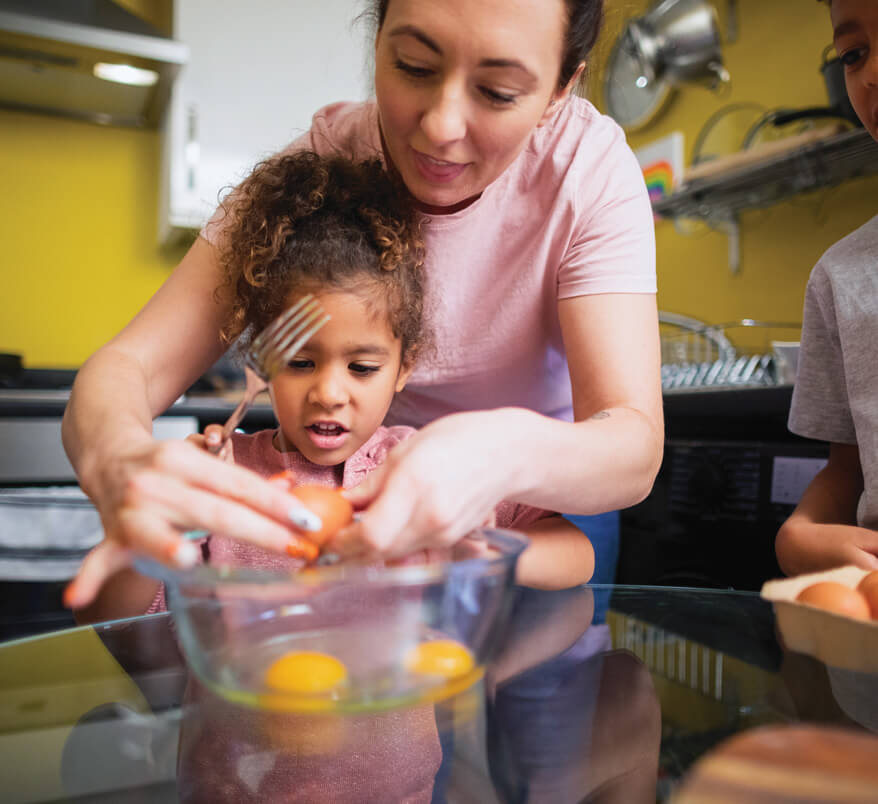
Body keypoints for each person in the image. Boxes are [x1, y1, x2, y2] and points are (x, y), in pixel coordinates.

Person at [62, 0, 662, 608]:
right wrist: (122, 460)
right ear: (377, 41)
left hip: (533, 495)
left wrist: (496, 456)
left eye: (498, 91)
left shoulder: (587, 171)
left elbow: (631, 448)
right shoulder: (317, 170)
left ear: (562, 86)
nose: (440, 127)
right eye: (414, 65)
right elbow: (129, 367)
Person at [73, 150, 595, 622]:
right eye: (300, 362)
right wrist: (160, 530)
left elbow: (576, 552)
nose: (328, 393)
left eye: (362, 368)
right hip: (236, 725)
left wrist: (489, 554)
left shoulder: (417, 468)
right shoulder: (224, 482)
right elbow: (109, 619)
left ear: (404, 366)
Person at [775, 0, 878, 575]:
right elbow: (848, 470)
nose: (871, 73)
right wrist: (801, 533)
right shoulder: (839, 277)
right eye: (853, 54)